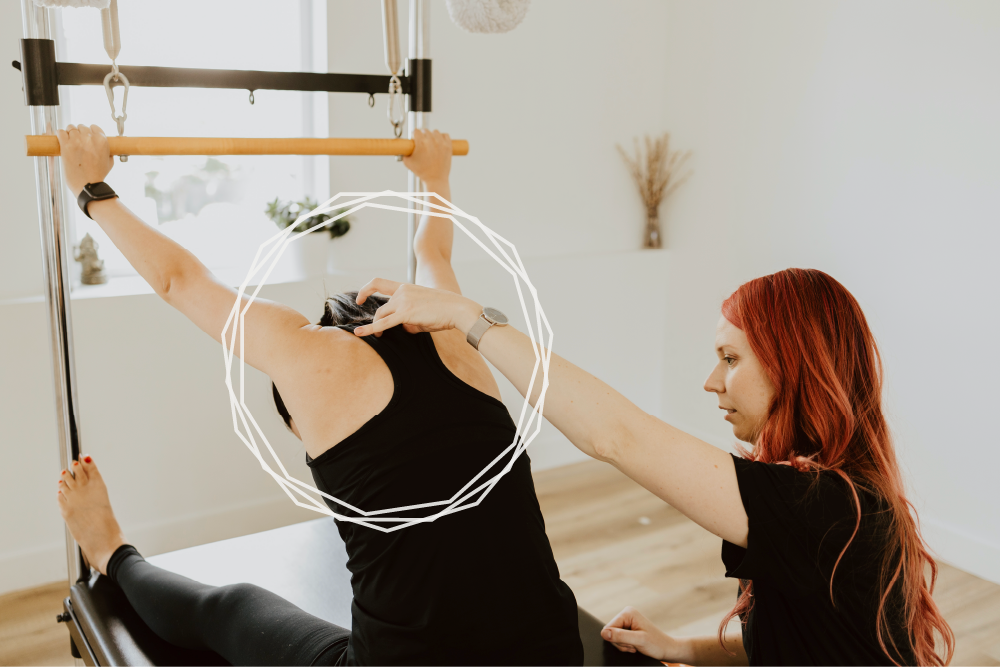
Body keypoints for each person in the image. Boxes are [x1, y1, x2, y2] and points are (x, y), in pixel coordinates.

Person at [55, 125, 584, 667]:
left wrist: (88, 186)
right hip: (554, 652)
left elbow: (179, 281)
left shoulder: (303, 353)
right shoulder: (454, 327)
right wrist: (436, 176)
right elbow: (433, 251)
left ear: (297, 421)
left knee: (230, 609)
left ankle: (111, 551)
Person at [349, 269, 956, 667]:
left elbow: (616, 437)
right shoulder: (836, 494)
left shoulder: (828, 506)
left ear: (795, 366)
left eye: (730, 358)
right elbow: (796, 643)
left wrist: (469, 317)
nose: (711, 381)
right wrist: (681, 648)